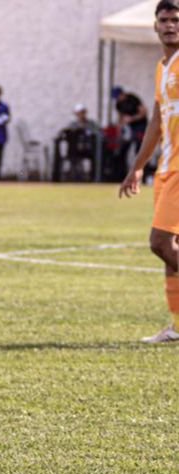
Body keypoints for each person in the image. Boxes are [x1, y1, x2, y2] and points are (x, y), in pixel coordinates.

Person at [119, 0, 179, 343]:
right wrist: (138, 167)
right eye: (165, 20)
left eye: (176, 20)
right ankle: (178, 328)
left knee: (159, 242)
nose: (170, 25)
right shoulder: (163, 66)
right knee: (171, 251)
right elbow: (157, 121)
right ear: (155, 26)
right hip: (167, 167)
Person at [112, 85, 149, 174]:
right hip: (129, 128)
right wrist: (120, 129)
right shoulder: (118, 104)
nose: (117, 99)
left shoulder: (132, 99)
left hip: (140, 126)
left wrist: (132, 118)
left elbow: (144, 112)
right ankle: (122, 174)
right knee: (123, 150)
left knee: (139, 149)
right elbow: (120, 118)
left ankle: (142, 173)